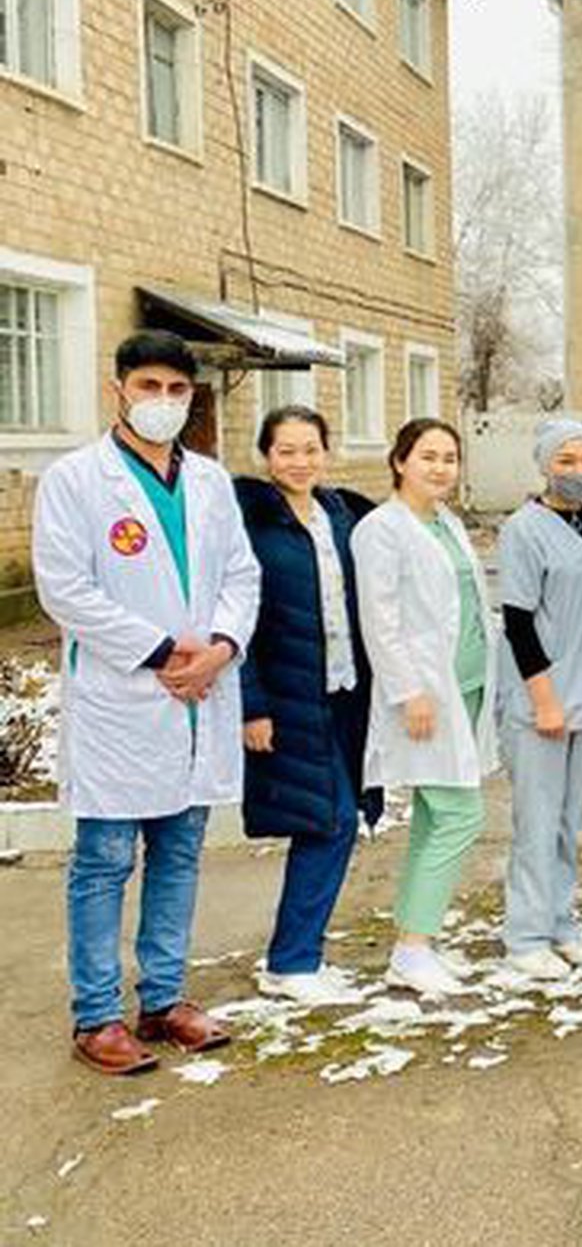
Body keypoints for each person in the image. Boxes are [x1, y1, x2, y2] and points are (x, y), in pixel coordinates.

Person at [33, 330, 260, 1073]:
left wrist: (220, 649)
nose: (162, 401)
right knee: (102, 860)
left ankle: (163, 1001)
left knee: (180, 852)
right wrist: (165, 652)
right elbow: (66, 591)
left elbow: (241, 576)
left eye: (176, 390)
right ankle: (96, 1016)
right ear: (119, 390)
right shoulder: (75, 480)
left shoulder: (211, 482)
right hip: (123, 695)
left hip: (200, 693)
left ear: (190, 398)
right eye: (148, 387)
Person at [353, 417, 498, 999]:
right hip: (421, 699)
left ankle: (415, 944)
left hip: (463, 690)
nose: (440, 468)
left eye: (449, 458)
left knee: (436, 819)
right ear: (399, 461)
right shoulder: (380, 530)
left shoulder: (446, 523)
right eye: (428, 457)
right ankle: (412, 948)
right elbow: (380, 622)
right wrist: (408, 691)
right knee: (462, 816)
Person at [237, 405, 377, 1007]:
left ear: (327, 452)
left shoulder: (340, 514)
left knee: (337, 822)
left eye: (310, 449)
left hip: (345, 693)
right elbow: (236, 618)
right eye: (286, 450)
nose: (299, 461)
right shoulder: (250, 522)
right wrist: (251, 705)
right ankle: (291, 962)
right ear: (267, 456)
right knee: (331, 820)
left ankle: (301, 954)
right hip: (289, 698)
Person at [496, 419, 582, 980]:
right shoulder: (524, 529)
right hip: (541, 701)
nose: (578, 471)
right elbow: (518, 622)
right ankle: (525, 935)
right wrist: (545, 700)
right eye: (566, 461)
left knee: (569, 821)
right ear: (544, 465)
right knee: (536, 823)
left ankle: (561, 922)